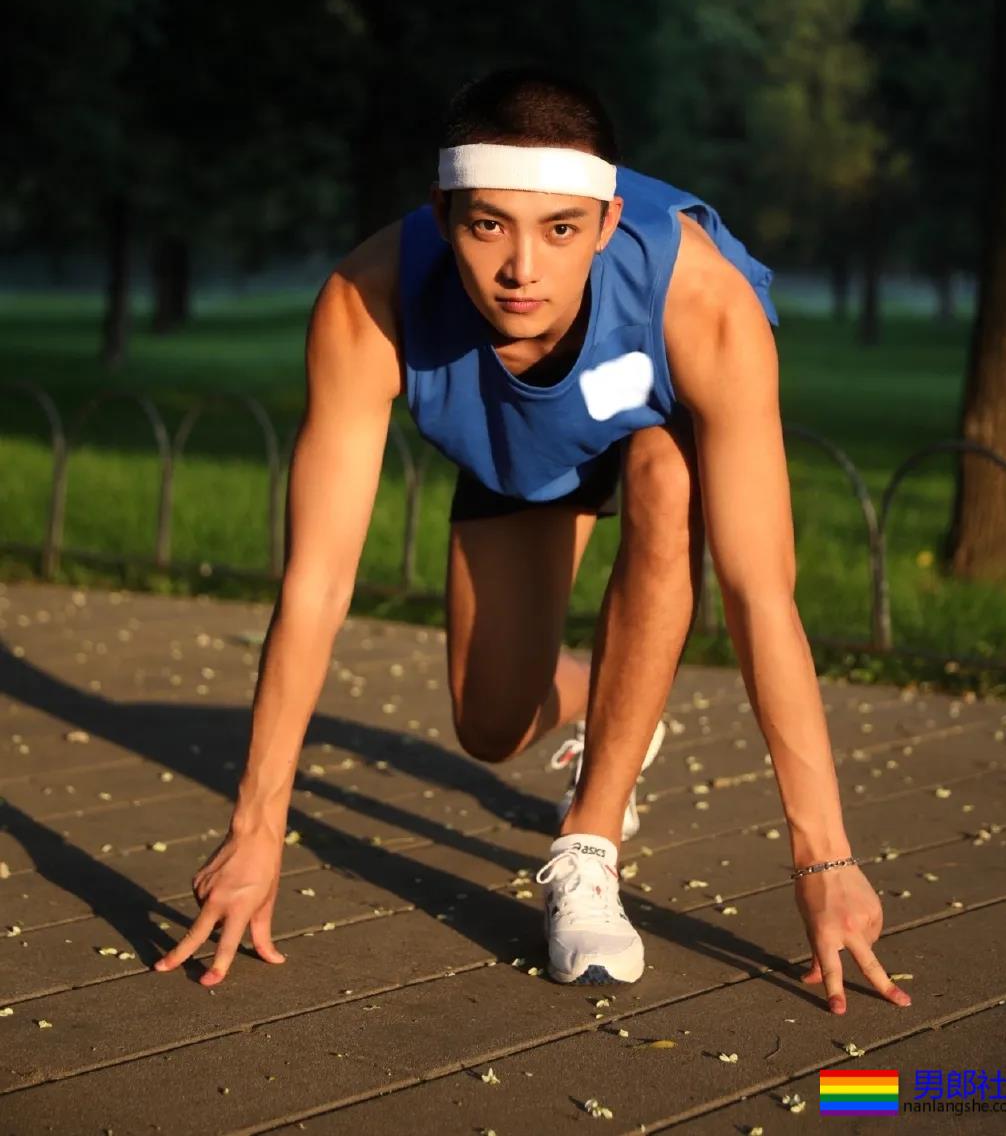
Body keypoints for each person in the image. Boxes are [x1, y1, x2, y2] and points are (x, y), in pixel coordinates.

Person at [154, 66, 912, 1011]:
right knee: (489, 724)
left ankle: (589, 845)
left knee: (669, 479)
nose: (522, 269)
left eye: (560, 230)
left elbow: (763, 595)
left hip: (649, 425)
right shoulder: (369, 301)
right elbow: (315, 582)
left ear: (605, 221)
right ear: (441, 214)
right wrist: (258, 825)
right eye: (487, 226)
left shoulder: (702, 306)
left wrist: (824, 857)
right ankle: (615, 699)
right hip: (519, 451)